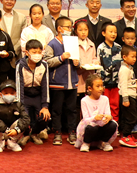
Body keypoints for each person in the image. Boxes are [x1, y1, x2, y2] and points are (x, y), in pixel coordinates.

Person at [44, 16, 79, 145]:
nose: (70, 30)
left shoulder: (73, 42)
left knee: (72, 109)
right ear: (59, 28)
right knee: (57, 109)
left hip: (72, 82)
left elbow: (78, 60)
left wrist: (77, 62)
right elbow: (47, 61)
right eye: (68, 27)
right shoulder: (52, 44)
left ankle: (72, 132)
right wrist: (61, 58)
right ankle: (57, 132)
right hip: (57, 83)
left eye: (71, 27)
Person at [16, 39, 50, 145]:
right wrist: (20, 105)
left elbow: (45, 86)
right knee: (24, 116)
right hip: (25, 95)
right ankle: (26, 134)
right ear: (27, 53)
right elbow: (19, 86)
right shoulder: (20, 65)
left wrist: (45, 106)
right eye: (34, 52)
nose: (37, 55)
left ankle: (35, 133)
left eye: (39, 52)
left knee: (45, 117)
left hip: (37, 95)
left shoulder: (44, 65)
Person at [74, 74, 117, 152]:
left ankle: (103, 142)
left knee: (113, 125)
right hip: (90, 127)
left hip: (102, 126)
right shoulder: (84, 100)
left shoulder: (105, 99)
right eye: (98, 86)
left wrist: (108, 117)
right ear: (90, 88)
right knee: (91, 127)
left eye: (102, 86)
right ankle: (86, 143)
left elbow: (108, 114)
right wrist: (94, 118)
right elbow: (85, 120)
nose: (101, 88)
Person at [0, 80, 30, 153]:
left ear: (15, 94)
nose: (9, 95)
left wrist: (16, 130)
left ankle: (12, 142)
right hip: (1, 131)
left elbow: (26, 119)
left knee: (23, 123)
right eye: (6, 93)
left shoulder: (19, 104)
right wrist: (5, 129)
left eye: (12, 93)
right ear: (1, 94)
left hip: (14, 131)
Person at [0, 0, 28, 78]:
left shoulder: (22, 17)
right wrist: (2, 52)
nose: (9, 2)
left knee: (15, 84)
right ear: (1, 1)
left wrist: (12, 52)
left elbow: (23, 37)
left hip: (16, 58)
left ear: (15, 1)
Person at [97, 22, 121, 122]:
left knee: (115, 105)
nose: (113, 34)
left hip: (116, 82)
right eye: (110, 32)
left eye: (115, 32)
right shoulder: (100, 48)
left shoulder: (119, 47)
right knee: (104, 105)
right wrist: (100, 81)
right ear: (103, 33)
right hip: (104, 83)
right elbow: (98, 65)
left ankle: (115, 124)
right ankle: (104, 124)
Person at [118, 45, 137, 148]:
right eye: (132, 57)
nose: (134, 59)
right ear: (124, 57)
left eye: (135, 57)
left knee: (131, 117)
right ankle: (125, 136)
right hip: (127, 96)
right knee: (131, 118)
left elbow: (130, 83)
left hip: (131, 95)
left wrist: (136, 94)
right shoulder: (124, 70)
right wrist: (125, 99)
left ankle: (128, 134)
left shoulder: (129, 68)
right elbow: (123, 85)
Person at [74, 19, 99, 102]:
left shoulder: (91, 44)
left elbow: (94, 57)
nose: (83, 32)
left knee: (89, 98)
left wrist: (96, 62)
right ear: (76, 31)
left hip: (89, 74)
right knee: (78, 100)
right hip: (78, 75)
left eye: (85, 30)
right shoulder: (74, 44)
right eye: (80, 30)